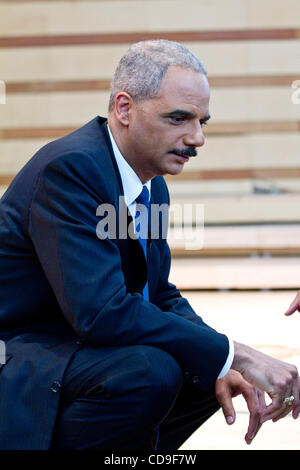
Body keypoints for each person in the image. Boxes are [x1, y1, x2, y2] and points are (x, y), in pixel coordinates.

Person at [0, 39, 299, 451]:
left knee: (205, 374)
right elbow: (102, 312)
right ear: (124, 109)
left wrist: (222, 360)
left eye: (202, 122)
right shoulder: (69, 170)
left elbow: (157, 292)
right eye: (179, 119)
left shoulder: (152, 185)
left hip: (75, 348)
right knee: (151, 371)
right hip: (22, 355)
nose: (197, 139)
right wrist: (237, 353)